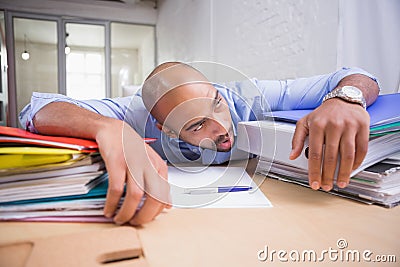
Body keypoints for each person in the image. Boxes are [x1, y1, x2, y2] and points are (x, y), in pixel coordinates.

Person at [19, 61, 380, 225]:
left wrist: (345, 98)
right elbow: (36, 109)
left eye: (216, 104)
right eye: (197, 124)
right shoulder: (135, 115)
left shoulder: (246, 96)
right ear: (166, 129)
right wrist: (108, 128)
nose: (222, 126)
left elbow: (356, 75)